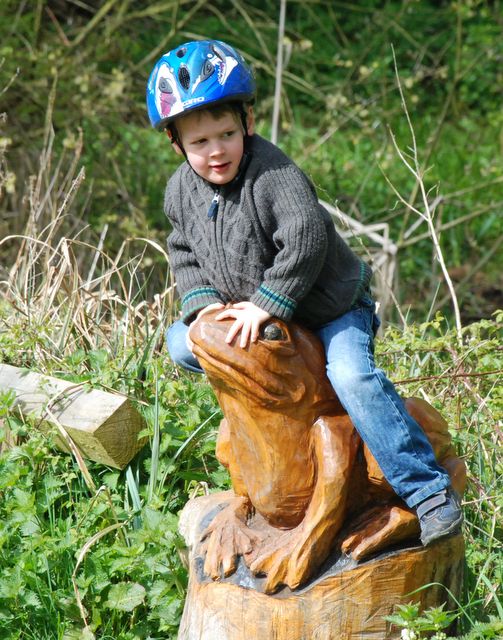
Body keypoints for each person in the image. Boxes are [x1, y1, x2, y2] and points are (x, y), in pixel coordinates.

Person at [146, 39, 462, 546]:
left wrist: (267, 303)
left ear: (248, 122)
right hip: (258, 315)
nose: (216, 151)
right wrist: (204, 305)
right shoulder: (180, 191)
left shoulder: (275, 175)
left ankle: (426, 490)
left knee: (352, 377)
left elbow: (306, 239)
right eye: (200, 142)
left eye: (227, 134)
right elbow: (182, 249)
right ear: (176, 143)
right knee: (182, 344)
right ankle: (275, 440)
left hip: (328, 308)